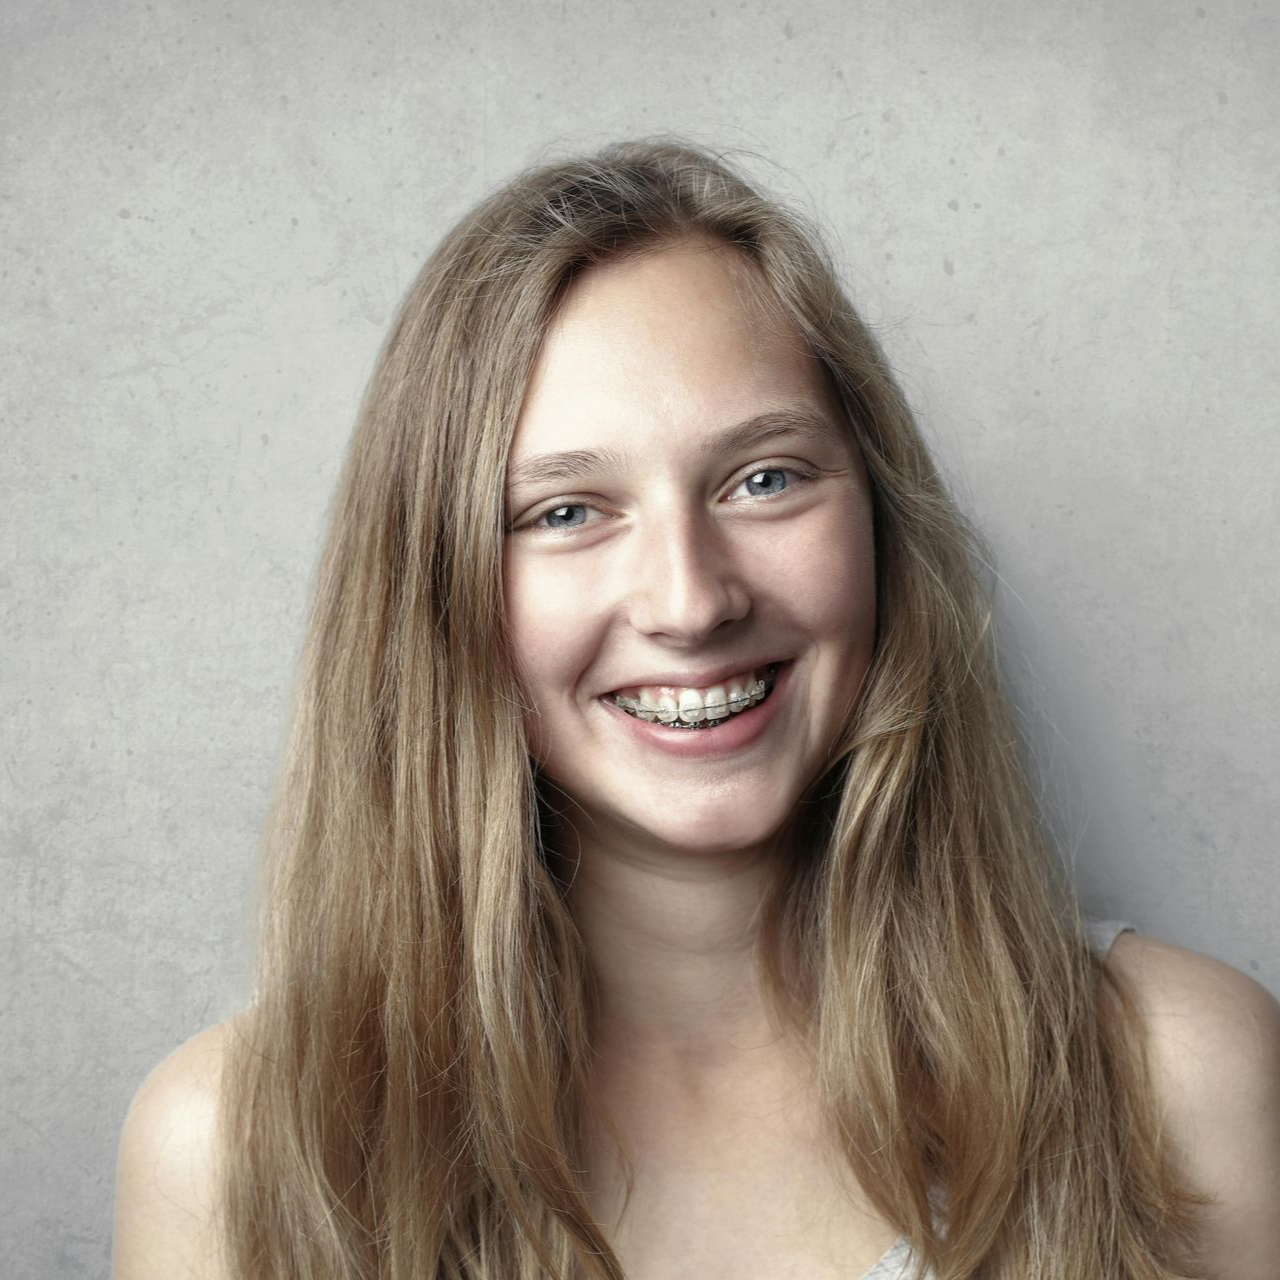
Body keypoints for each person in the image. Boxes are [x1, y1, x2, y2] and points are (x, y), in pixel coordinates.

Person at [112, 139, 1280, 1279]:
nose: (690, 599)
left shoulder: (1177, 1075)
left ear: (878, 525)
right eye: (566, 510)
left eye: (762, 477)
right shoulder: (232, 1154)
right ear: (437, 588)